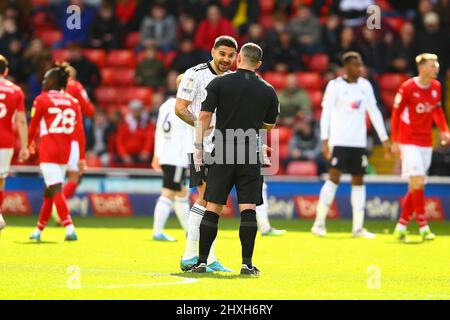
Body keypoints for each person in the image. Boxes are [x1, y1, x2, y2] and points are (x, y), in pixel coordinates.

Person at [190, 42, 279, 275]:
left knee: (213, 207)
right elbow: (265, 126)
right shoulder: (269, 90)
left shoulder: (219, 82)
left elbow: (204, 116)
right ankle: (246, 264)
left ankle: (201, 262)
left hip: (223, 150)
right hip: (250, 153)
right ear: (258, 64)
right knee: (248, 208)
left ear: (238, 58)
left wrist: (198, 147)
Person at [311, 51, 391, 238]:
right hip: (339, 141)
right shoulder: (335, 86)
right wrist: (325, 140)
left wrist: (384, 138)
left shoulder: (365, 86)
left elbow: (374, 112)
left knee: (359, 181)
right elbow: (326, 114)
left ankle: (357, 227)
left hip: (358, 143)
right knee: (333, 179)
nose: (359, 68)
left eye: (360, 64)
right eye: (355, 64)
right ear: (346, 67)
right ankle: (319, 223)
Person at [175, 35, 238, 273]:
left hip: (223, 146)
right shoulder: (194, 73)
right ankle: (198, 257)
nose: (226, 59)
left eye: (231, 55)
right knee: (208, 199)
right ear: (213, 51)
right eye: (222, 54)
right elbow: (180, 108)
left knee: (211, 201)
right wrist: (202, 126)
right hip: (200, 147)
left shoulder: (233, 79)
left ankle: (198, 257)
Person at [391, 53, 450, 242]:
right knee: (418, 180)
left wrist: (444, 130)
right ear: (422, 67)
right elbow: (396, 113)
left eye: (437, 64)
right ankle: (423, 226)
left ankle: (401, 226)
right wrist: (395, 140)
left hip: (425, 142)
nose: (437, 67)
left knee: (416, 184)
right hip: (409, 141)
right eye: (433, 65)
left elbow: (437, 110)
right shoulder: (407, 87)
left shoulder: (436, 87)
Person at [28, 63, 86, 241]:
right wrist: (81, 157)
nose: (43, 81)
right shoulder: (73, 101)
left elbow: (33, 125)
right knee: (49, 191)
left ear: (52, 81)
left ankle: (69, 228)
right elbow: (80, 132)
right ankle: (38, 231)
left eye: (46, 79)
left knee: (56, 189)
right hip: (65, 151)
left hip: (48, 150)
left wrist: (27, 143)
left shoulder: (42, 99)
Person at [51, 63, 95, 225]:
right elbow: (89, 110)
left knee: (55, 176)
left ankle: (54, 211)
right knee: (74, 177)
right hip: (72, 137)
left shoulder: (50, 90)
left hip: (53, 137)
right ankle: (59, 208)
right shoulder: (75, 86)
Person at [151, 74, 190, 242]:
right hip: (177, 157)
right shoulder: (184, 108)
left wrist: (156, 154)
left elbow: (159, 131)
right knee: (169, 192)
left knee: (182, 193)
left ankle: (189, 231)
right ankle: (157, 232)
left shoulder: (166, 105)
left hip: (167, 154)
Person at [0, 55, 29, 232]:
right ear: (6, 71)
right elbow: (21, 121)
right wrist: (25, 146)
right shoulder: (16, 90)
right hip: (5, 141)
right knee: (0, 179)